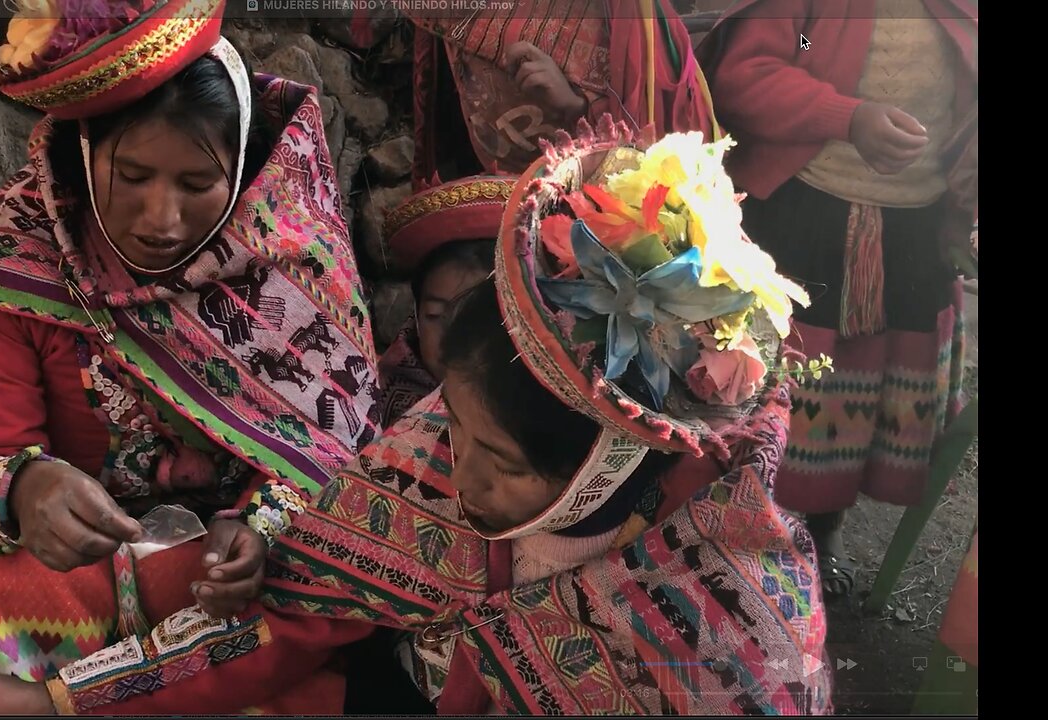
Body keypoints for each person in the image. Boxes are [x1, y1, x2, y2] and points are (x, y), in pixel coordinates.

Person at [0, 119, 832, 715]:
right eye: (456, 431)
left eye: (505, 466)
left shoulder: (729, 636)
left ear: (610, 466)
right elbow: (291, 603)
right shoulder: (429, 471)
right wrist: (58, 704)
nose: (458, 479)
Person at [0, 0, 380, 712]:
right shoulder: (9, 273)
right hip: (81, 580)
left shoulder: (282, 263)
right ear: (85, 156)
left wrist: (260, 525)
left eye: (195, 184)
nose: (162, 220)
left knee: (332, 569)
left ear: (239, 173)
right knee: (3, 584)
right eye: (135, 175)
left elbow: (338, 453)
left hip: (235, 584)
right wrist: (27, 490)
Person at [698, 0, 978, 596]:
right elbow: (751, 73)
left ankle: (824, 530)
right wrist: (847, 116)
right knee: (787, 384)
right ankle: (746, 527)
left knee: (869, 388)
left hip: (917, 224)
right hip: (807, 213)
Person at [383, 0, 721, 188]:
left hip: (604, 233)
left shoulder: (634, 19)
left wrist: (576, 109)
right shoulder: (444, 16)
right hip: (497, 217)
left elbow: (676, 149)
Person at [376, 175, 515, 424]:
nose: (454, 341)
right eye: (436, 316)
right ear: (417, 317)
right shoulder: (369, 403)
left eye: (476, 317)